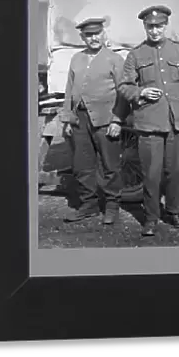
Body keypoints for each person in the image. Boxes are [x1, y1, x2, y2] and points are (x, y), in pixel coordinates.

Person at [119, 5, 179, 237]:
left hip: (176, 123)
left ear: (165, 26)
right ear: (145, 27)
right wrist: (141, 93)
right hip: (149, 124)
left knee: (175, 171)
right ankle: (152, 217)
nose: (155, 31)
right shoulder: (135, 54)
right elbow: (124, 86)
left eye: (159, 26)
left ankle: (174, 211)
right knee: (151, 174)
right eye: (150, 27)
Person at [60, 17, 129, 225]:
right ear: (82, 37)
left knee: (110, 165)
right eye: (89, 35)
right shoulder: (76, 59)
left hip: (106, 119)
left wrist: (117, 120)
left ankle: (112, 206)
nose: (93, 38)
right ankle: (88, 205)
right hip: (80, 119)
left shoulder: (114, 59)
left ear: (103, 34)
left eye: (97, 33)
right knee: (82, 165)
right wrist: (67, 118)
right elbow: (69, 90)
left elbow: (124, 92)